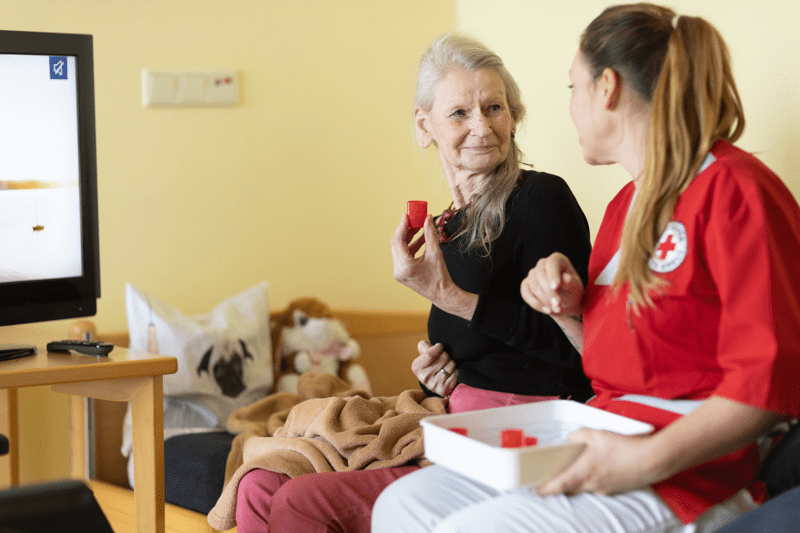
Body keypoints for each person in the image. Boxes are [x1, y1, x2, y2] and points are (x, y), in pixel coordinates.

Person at [372, 4, 800, 533]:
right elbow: (602, 365)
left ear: (607, 89)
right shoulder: (624, 208)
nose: (570, 107)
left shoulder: (736, 190)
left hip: (689, 471)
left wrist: (643, 461)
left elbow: (769, 386)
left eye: (573, 87)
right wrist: (567, 311)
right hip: (602, 434)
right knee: (400, 507)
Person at [233, 32, 593, 532]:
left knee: (301, 501)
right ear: (425, 126)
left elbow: (576, 348)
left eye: (494, 108)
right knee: (258, 484)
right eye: (459, 113)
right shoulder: (446, 226)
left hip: (518, 432)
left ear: (513, 116)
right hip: (450, 419)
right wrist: (435, 375)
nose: (482, 126)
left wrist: (451, 298)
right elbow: (479, 350)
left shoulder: (541, 198)